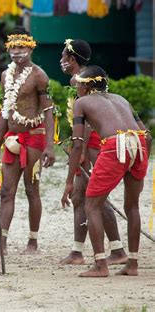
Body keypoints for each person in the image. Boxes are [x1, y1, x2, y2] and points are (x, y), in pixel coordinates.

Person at [61, 65, 151, 277]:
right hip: (138, 144)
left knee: (92, 204)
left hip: (115, 146)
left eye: (80, 84)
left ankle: (100, 265)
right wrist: (142, 160)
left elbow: (77, 144)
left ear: (89, 85)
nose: (77, 88)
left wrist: (68, 183)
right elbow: (147, 135)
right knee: (133, 206)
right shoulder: (121, 99)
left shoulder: (81, 102)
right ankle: (133, 264)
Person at [0, 26, 55, 257]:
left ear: (30, 48)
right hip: (12, 139)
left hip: (34, 138)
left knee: (32, 190)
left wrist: (49, 146)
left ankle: (33, 242)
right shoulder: (5, 75)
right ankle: (0, 243)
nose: (17, 51)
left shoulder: (39, 76)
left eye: (21, 47)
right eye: (13, 47)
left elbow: (49, 111)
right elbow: (5, 112)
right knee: (6, 192)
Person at [58, 39, 128, 265]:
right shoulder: (84, 77)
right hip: (87, 143)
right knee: (81, 197)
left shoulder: (79, 80)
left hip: (93, 144)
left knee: (95, 197)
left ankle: (116, 250)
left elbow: (87, 122)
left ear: (72, 59)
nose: (61, 62)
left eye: (64, 58)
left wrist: (81, 151)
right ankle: (78, 251)